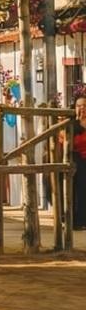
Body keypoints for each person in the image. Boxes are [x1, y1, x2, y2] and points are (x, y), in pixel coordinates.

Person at [69, 96, 85, 231]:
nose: (82, 108)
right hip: (77, 159)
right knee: (78, 189)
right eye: (79, 106)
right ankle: (78, 221)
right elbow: (66, 142)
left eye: (84, 105)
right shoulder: (71, 124)